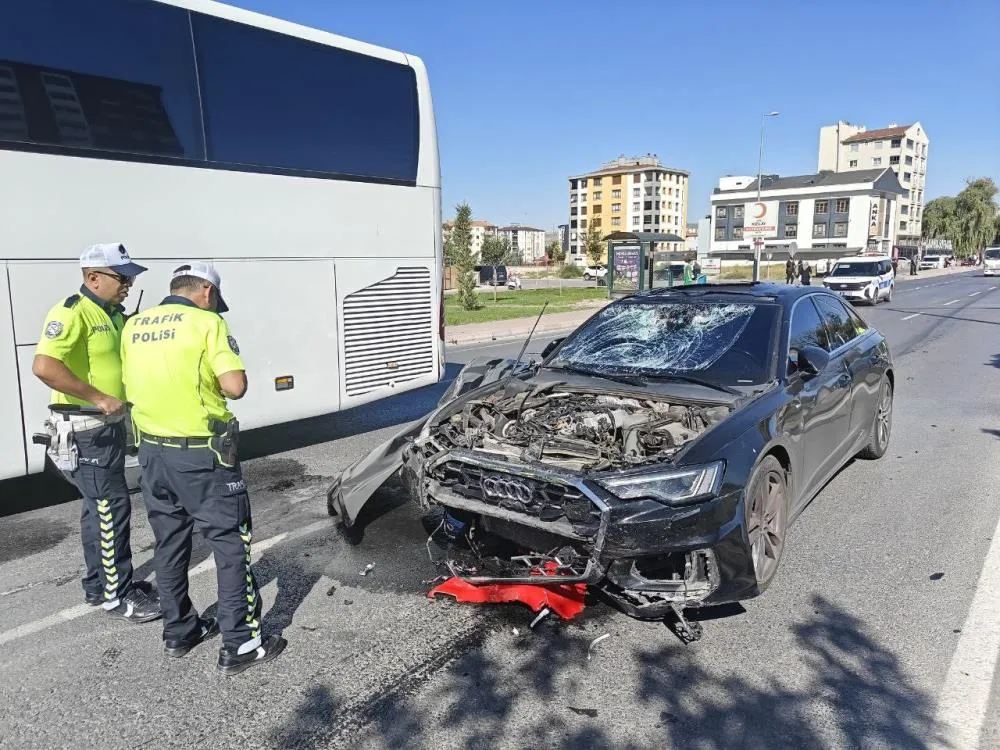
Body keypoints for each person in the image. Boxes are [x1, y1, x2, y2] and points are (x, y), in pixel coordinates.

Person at [120, 262, 286, 674]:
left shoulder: (135, 326)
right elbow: (235, 386)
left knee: (170, 544)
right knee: (230, 546)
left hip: (152, 456)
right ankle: (241, 644)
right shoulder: (206, 324)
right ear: (207, 293)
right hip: (201, 456)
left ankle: (180, 630)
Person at [31, 243, 162, 622]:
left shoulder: (113, 313)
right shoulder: (72, 312)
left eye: (131, 277)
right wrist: (99, 397)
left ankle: (100, 585)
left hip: (107, 431)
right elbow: (44, 366)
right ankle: (116, 596)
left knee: (99, 511)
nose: (129, 284)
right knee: (111, 510)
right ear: (93, 278)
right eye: (123, 277)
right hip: (86, 430)